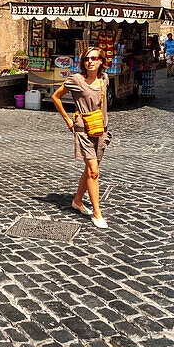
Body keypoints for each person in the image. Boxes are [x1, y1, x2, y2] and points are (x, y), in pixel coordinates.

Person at [52, 48, 111, 230]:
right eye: (87, 59)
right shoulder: (76, 80)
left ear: (101, 61)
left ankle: (77, 201)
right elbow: (56, 96)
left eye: (94, 59)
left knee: (90, 170)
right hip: (83, 129)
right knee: (93, 171)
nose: (90, 62)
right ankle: (97, 213)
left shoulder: (105, 79)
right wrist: (68, 120)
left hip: (100, 129)